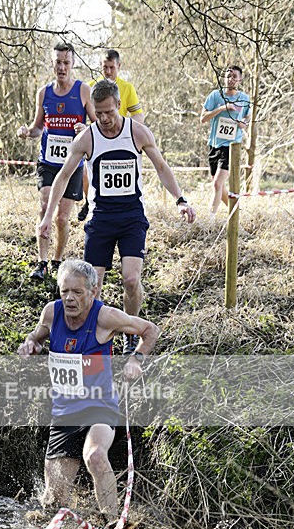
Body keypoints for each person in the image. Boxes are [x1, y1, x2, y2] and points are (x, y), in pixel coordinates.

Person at [38, 79, 195, 355]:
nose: (104, 119)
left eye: (109, 112)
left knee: (131, 280)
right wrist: (48, 216)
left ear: (119, 105)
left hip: (131, 216)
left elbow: (161, 166)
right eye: (98, 113)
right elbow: (63, 176)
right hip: (100, 218)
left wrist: (180, 200)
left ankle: (131, 334)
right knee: (91, 286)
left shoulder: (138, 132)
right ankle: (89, 338)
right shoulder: (87, 138)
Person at [18, 259, 159, 523]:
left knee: (94, 455)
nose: (69, 298)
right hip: (64, 412)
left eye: (77, 292)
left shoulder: (105, 317)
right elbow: (35, 338)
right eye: (64, 291)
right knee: (52, 501)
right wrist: (30, 346)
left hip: (99, 405)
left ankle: (113, 523)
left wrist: (135, 360)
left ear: (93, 291)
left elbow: (149, 330)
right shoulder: (51, 313)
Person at [17, 42, 95, 281]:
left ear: (72, 64)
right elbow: (38, 127)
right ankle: (41, 263)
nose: (62, 67)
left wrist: (86, 129)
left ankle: (57, 261)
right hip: (48, 162)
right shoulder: (44, 93)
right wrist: (26, 132)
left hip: (72, 164)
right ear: (52, 64)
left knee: (62, 217)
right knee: (44, 205)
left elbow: (97, 124)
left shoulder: (83, 90)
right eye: (58, 63)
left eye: (66, 63)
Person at [78, 48, 144, 222]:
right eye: (104, 67)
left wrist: (128, 129)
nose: (108, 71)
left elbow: (138, 115)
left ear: (118, 66)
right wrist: (84, 128)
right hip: (97, 139)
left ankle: (126, 206)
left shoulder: (127, 88)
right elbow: (82, 115)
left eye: (111, 67)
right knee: (85, 172)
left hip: (121, 139)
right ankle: (89, 202)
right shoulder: (90, 87)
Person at [200, 66, 250, 215]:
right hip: (214, 145)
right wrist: (222, 108)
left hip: (231, 146)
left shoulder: (244, 99)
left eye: (234, 76)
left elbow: (247, 118)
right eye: (228, 76)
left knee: (217, 183)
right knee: (219, 187)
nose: (230, 79)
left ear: (240, 79)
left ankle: (210, 218)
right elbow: (203, 118)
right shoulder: (215, 95)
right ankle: (236, 213)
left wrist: (243, 123)